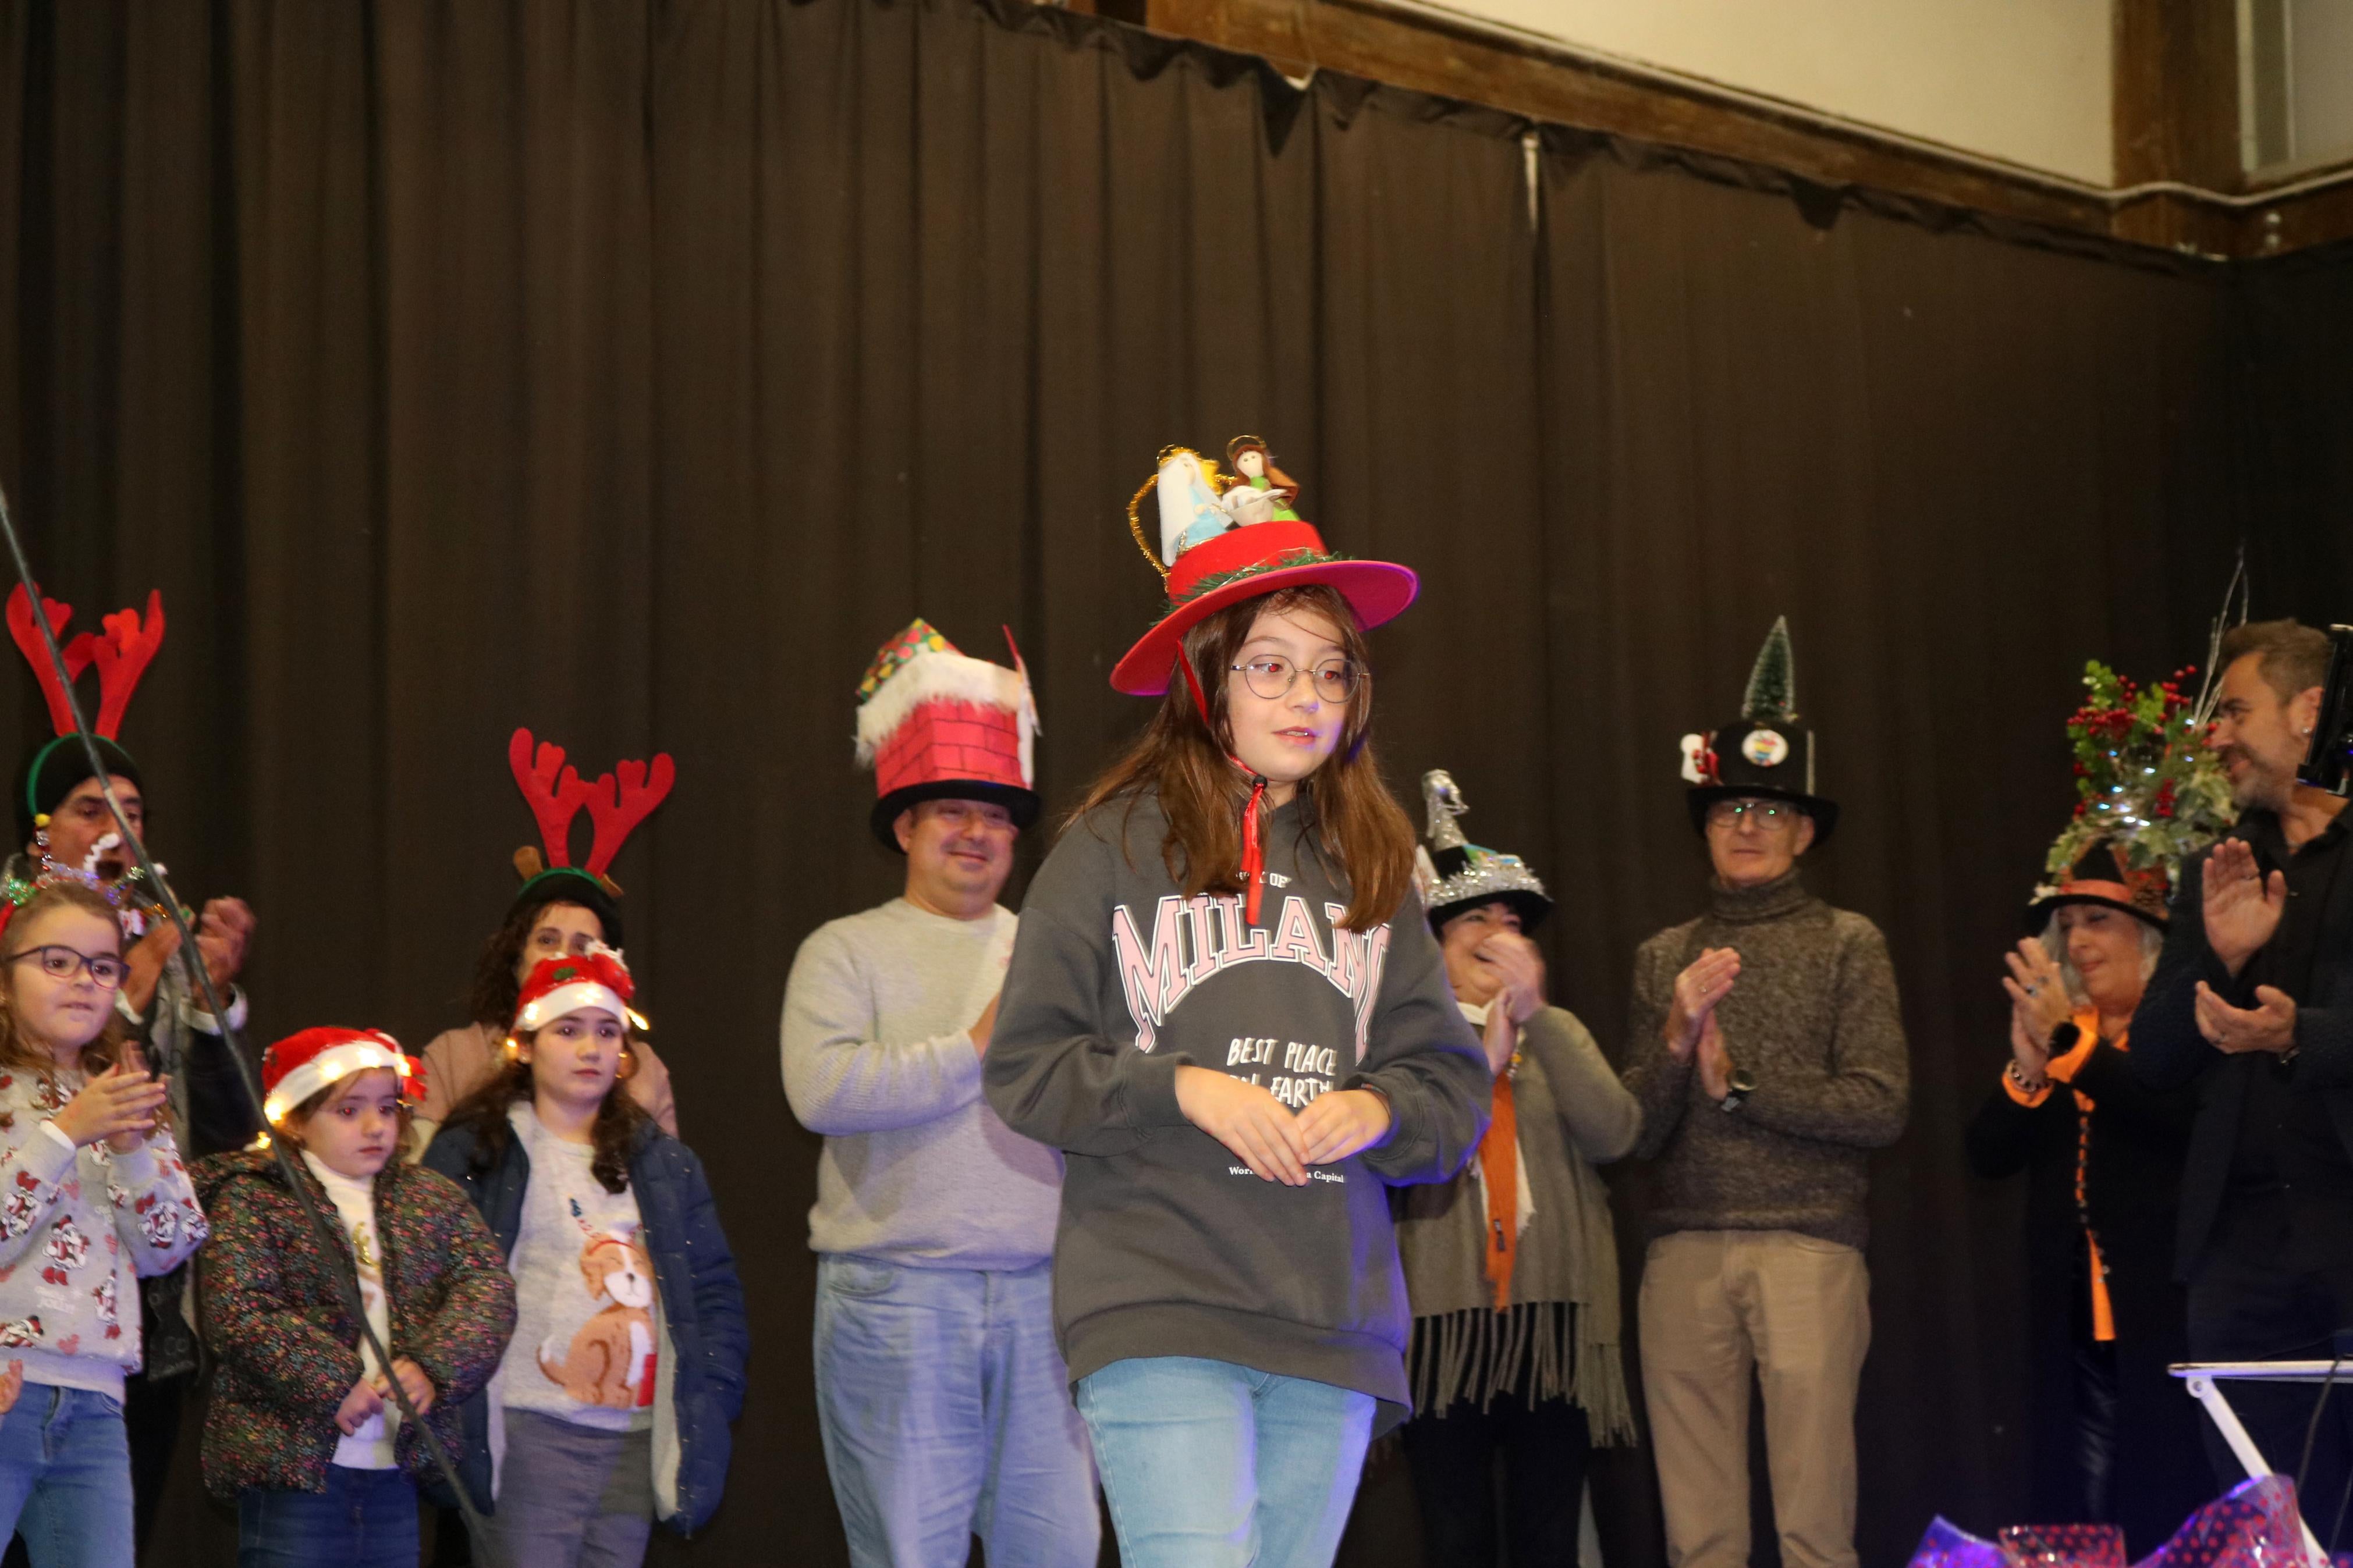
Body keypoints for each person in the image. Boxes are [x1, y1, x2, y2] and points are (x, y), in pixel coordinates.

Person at [984, 441, 1488, 1568]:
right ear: (1204, 672)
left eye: (1328, 671)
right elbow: (1024, 1069)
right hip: (1157, 1298)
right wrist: (1185, 1090)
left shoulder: (1373, 860)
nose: (1305, 697)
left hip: (1331, 1317)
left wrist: (1378, 1113)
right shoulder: (1104, 850)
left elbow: (1449, 1090)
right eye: (1269, 667)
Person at [780, 617, 1094, 1568]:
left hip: (1046, 1298)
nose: (976, 832)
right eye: (952, 810)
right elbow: (824, 1090)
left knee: (1060, 1549)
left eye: (996, 815)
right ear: (906, 826)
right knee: (907, 1554)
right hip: (896, 1297)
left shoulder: (1055, 946)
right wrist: (979, 1045)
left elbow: (1096, 1098)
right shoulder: (843, 950)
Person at [1624, 616, 1908, 1568]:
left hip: (1809, 1248)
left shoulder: (1847, 943)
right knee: (1695, 1533)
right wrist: (1672, 1044)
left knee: (1812, 1526)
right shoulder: (1664, 956)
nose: (1745, 826)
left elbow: (1880, 1104)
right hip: (1682, 1251)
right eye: (1726, 810)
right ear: (1702, 828)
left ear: (1803, 832)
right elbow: (1634, 1131)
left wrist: (1743, 1085)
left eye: (1767, 811)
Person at [6, 582, 258, 1551]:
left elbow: (178, 1223)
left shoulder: (157, 968)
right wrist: (75, 1118)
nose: (119, 827)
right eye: (90, 808)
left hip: (111, 1373)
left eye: (135, 811)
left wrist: (199, 1007)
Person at [2127, 619, 2353, 1517]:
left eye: (2233, 710)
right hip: (2239, 1252)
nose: (2212, 734)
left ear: (2308, 712)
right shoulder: (2219, 865)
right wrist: (2216, 960)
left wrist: (2299, 1033)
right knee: (2258, 1526)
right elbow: (2151, 1058)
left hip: (2346, 1225)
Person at [425, 945, 747, 1565]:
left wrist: (712, 1392)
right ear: (525, 1043)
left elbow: (711, 1290)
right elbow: (429, 1284)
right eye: (567, 1030)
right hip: (525, 1431)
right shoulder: (474, 1153)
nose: (590, 1048)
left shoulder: (665, 1164)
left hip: (632, 1440)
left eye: (606, 1032)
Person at [1394, 769, 1639, 1567]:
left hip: (1551, 1328)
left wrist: (1537, 1018)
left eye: (1513, 920)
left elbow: (1614, 1133)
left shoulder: (1557, 1030)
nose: (1498, 932)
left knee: (1547, 1538)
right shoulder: (1402, 1044)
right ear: (1435, 940)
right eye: (1475, 917)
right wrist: (1474, 1058)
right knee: (1455, 1535)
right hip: (1442, 1330)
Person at [1965, 840, 2208, 1554]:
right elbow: (1985, 1156)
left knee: (2166, 1493)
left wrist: (2070, 1049)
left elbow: (2168, 1119)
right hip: (2070, 1318)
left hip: (2163, 1313)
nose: (2076, 940)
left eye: (2097, 921)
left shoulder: (2178, 1034)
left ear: (2147, 939)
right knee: (2079, 1497)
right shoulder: (2067, 1037)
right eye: (2067, 923)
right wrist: (2027, 1068)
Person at [196, 1028, 516, 1567]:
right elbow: (241, 1310)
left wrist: (434, 1366)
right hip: (295, 1475)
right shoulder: (256, 1194)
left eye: (387, 1108)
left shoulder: (430, 1198)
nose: (375, 1126)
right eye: (348, 1111)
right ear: (294, 1119)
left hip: (395, 1469)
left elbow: (488, 1289)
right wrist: (332, 1380)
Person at [0, 877, 210, 1566]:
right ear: (5, 980)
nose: (82, 981)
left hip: (96, 1398)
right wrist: (64, 1134)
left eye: (102, 966)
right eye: (56, 961)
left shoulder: (124, 1096)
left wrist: (132, 1151)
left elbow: (167, 1248)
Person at [413, 728, 677, 1150]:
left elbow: (667, 1196)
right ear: (516, 958)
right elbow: (423, 1194)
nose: (562, 959)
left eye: (581, 945)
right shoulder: (452, 1057)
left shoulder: (643, 1070)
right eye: (547, 940)